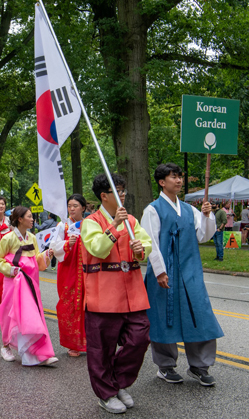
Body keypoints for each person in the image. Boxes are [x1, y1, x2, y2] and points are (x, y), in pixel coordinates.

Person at [141, 163, 223, 388]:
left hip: (190, 271)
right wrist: (160, 271)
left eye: (180, 177)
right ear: (161, 182)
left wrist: (207, 216)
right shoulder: (153, 209)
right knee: (163, 318)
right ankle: (165, 366)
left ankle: (200, 366)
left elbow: (203, 236)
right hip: (164, 273)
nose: (178, 181)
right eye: (173, 177)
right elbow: (151, 243)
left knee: (199, 315)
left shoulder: (189, 209)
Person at [80, 175, 152, 414]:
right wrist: (114, 228)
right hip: (103, 295)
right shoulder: (91, 221)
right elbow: (98, 249)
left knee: (139, 338)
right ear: (104, 196)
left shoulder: (131, 220)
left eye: (124, 190)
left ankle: (118, 382)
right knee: (102, 348)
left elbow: (146, 243)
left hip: (132, 292)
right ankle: (106, 393)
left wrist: (141, 249)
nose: (123, 195)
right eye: (118, 191)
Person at [0, 206, 58, 366]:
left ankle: (38, 352)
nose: (32, 219)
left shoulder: (32, 238)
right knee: (10, 313)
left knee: (32, 316)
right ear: (20, 219)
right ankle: (6, 346)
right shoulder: (8, 238)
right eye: (29, 217)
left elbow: (36, 259)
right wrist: (12, 270)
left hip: (30, 283)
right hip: (13, 282)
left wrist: (46, 256)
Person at [51, 194, 87, 358]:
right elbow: (53, 247)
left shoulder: (89, 225)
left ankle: (87, 342)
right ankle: (72, 343)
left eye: (76, 206)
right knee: (69, 305)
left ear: (83, 208)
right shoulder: (62, 226)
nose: (72, 209)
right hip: (68, 271)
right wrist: (67, 244)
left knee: (87, 305)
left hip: (86, 271)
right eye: (70, 206)